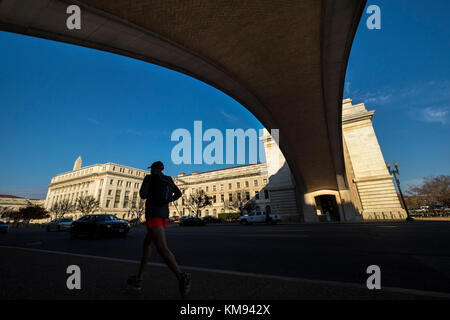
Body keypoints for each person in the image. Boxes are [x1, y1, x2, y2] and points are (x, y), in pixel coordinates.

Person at [127, 161, 191, 299]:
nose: (150, 171)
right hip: (164, 215)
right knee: (146, 244)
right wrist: (166, 200)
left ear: (154, 169)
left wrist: (152, 195)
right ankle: (138, 279)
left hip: (153, 215)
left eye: (151, 169)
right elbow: (178, 193)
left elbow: (143, 195)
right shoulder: (168, 179)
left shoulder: (149, 178)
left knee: (162, 248)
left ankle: (182, 277)